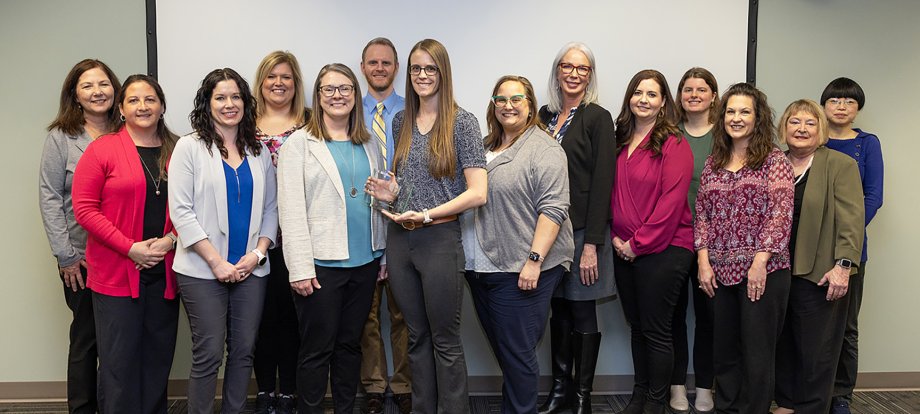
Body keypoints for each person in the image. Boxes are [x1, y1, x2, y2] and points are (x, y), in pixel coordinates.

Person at [365, 38, 487, 414]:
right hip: (402, 241)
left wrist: (429, 214)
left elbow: (478, 192)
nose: (421, 75)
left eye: (429, 68)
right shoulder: (401, 120)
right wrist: (392, 194)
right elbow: (411, 188)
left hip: (439, 240)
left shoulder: (462, 121)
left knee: (445, 341)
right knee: (416, 337)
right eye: (416, 68)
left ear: (442, 72)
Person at [277, 63, 386, 414]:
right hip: (321, 266)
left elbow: (374, 202)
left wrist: (381, 256)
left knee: (350, 346)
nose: (338, 95)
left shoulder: (368, 142)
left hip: (365, 262)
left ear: (356, 95)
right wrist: (298, 268)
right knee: (316, 350)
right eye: (329, 89)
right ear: (318, 96)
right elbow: (290, 209)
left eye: (345, 89)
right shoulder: (300, 144)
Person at [168, 68, 278, 414]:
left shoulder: (259, 151)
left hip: (250, 271)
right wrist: (216, 261)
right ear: (207, 103)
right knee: (209, 353)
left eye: (236, 97)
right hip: (202, 270)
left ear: (245, 102)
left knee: (244, 351)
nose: (229, 104)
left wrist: (258, 255)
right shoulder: (189, 147)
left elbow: (271, 210)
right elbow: (181, 212)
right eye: (221, 97)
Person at [464, 75, 573, 414]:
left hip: (520, 267)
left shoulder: (545, 149)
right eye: (501, 99)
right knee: (508, 354)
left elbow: (553, 209)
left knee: (518, 356)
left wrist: (534, 260)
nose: (508, 106)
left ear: (530, 106)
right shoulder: (484, 147)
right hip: (482, 268)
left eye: (517, 99)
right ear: (493, 105)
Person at [71, 74, 180, 413]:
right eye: (133, 100)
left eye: (150, 99)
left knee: (157, 361)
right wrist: (130, 247)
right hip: (117, 273)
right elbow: (85, 208)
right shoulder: (102, 149)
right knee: (119, 367)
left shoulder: (180, 149)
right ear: (120, 108)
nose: (143, 106)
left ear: (162, 106)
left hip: (166, 271)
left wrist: (171, 240)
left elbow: (197, 203)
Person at [694, 82, 794, 413]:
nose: (737, 118)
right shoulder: (713, 162)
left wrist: (759, 263)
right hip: (719, 272)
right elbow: (702, 215)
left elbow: (781, 213)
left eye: (744, 112)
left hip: (764, 271)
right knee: (724, 349)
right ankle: (728, 407)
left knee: (757, 351)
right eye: (731, 112)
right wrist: (703, 262)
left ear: (758, 117)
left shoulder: (774, 160)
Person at [537, 42, 616, 414]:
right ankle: (559, 391)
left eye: (582, 68)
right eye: (567, 66)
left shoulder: (598, 118)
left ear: (590, 76)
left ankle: (582, 397)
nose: (574, 73)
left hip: (584, 231)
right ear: (557, 72)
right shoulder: (542, 116)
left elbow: (603, 182)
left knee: (583, 310)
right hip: (548, 231)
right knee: (558, 310)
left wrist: (592, 246)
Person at [39, 58, 121, 414]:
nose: (97, 91)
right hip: (82, 258)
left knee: (118, 341)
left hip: (124, 254)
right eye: (87, 85)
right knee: (87, 339)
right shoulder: (62, 138)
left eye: (103, 84)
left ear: (115, 89)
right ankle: (84, 409)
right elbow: (50, 196)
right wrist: (65, 255)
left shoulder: (128, 131)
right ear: (74, 94)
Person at [611, 70, 695, 414]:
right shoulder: (620, 140)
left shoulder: (674, 143)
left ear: (663, 103)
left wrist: (636, 243)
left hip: (665, 248)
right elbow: (612, 192)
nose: (643, 99)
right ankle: (640, 395)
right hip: (623, 248)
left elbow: (671, 203)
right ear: (629, 98)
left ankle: (656, 403)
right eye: (638, 93)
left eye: (652, 94)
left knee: (658, 330)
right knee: (638, 327)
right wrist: (617, 238)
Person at [773, 99, 864, 414]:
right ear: (784, 128)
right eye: (794, 122)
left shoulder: (839, 164)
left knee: (817, 348)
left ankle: (812, 407)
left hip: (821, 271)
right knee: (782, 341)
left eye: (810, 123)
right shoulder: (776, 163)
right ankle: (785, 402)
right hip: (778, 270)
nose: (801, 129)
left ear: (821, 129)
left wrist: (843, 266)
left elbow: (852, 220)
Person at [820, 78, 884, 414]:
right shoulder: (810, 139)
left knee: (846, 327)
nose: (841, 106)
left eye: (849, 101)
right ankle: (809, 391)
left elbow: (873, 197)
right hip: (811, 249)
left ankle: (841, 395)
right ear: (824, 105)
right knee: (810, 324)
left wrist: (847, 236)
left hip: (850, 249)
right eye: (834, 100)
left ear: (857, 107)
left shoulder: (867, 144)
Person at [252, 50, 309, 414]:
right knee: (259, 319)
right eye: (271, 76)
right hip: (254, 239)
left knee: (292, 319)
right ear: (261, 83)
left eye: (286, 76)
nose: (278, 83)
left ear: (296, 83)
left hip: (297, 239)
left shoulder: (310, 125)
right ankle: (264, 392)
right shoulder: (244, 123)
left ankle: (288, 390)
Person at [358, 37, 412, 414]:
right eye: (372, 63)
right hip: (362, 222)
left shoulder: (414, 111)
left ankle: (406, 385)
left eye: (386, 63)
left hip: (405, 223)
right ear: (363, 67)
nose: (379, 68)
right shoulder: (345, 109)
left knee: (404, 313)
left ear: (396, 68)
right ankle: (374, 386)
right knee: (366, 314)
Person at [669, 67, 720, 414]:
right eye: (688, 89)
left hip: (713, 245)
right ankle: (675, 387)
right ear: (680, 95)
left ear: (714, 96)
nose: (695, 94)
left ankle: (704, 387)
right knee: (672, 317)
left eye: (702, 89)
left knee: (709, 318)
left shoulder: (726, 135)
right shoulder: (669, 134)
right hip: (671, 238)